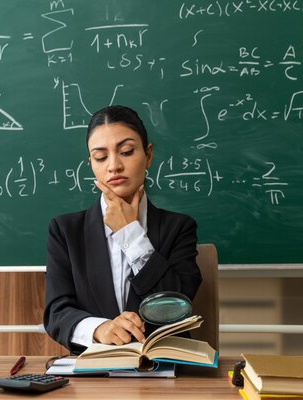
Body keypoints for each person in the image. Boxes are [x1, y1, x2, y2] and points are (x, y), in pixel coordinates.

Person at [43, 105, 202, 354]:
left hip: (164, 372)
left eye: (126, 152)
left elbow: (177, 308)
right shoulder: (65, 231)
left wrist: (130, 232)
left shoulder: (179, 227)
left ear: (148, 155)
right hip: (93, 377)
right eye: (100, 157)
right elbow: (57, 313)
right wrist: (99, 328)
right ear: (91, 164)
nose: (114, 166)